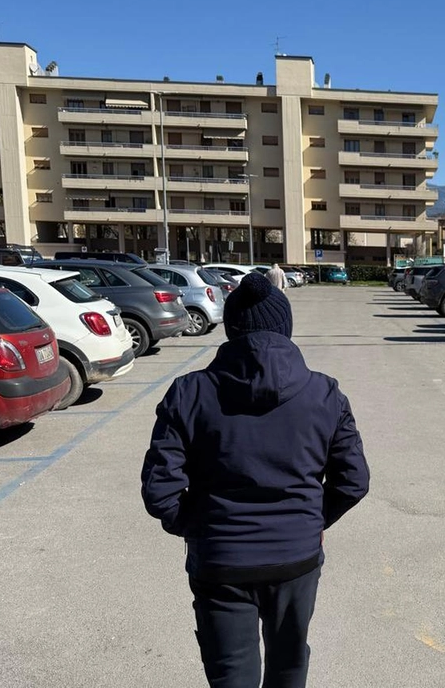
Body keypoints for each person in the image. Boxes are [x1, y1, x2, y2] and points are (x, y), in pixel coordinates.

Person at [141, 272, 369, 688]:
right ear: (285, 328)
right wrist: (312, 520)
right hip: (295, 557)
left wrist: (201, 527)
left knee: (232, 674)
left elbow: (161, 491)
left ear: (231, 329)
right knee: (289, 665)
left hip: (220, 563)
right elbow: (353, 480)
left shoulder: (189, 393)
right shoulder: (325, 394)